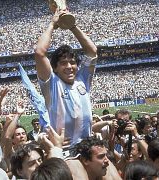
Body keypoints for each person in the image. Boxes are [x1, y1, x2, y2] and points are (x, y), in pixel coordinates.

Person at [34, 9, 97, 144]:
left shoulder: (82, 79)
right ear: (55, 68)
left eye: (72, 62)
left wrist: (72, 26)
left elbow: (92, 51)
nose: (69, 66)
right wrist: (52, 24)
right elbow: (40, 52)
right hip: (66, 152)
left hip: (88, 148)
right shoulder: (52, 84)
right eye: (63, 63)